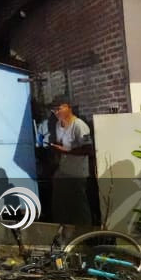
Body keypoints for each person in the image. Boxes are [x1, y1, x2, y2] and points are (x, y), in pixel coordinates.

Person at [48, 96, 93, 228]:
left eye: (59, 108)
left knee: (79, 208)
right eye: (54, 110)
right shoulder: (58, 125)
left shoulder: (79, 125)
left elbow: (88, 149)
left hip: (77, 174)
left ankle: (85, 234)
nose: (56, 112)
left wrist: (66, 150)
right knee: (60, 206)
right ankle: (63, 232)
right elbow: (60, 145)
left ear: (69, 107)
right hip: (63, 171)